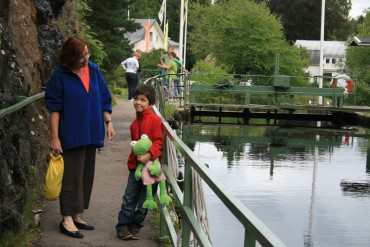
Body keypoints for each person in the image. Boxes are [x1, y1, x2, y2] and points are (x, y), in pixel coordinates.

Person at [44, 36, 115, 239]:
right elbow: (54, 109)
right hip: (71, 134)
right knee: (71, 177)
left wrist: (108, 122)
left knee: (85, 175)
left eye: (87, 54)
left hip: (92, 131)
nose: (86, 58)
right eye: (82, 55)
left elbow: (104, 97)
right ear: (70, 56)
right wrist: (55, 137)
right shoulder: (60, 76)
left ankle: (76, 215)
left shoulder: (93, 70)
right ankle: (66, 218)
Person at [116, 84, 163, 240]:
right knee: (129, 198)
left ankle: (135, 226)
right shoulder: (134, 124)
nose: (138, 102)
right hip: (135, 167)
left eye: (143, 100)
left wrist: (150, 155)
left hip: (151, 168)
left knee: (144, 201)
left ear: (150, 104)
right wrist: (134, 161)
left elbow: (158, 142)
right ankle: (123, 226)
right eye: (136, 98)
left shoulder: (156, 120)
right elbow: (135, 147)